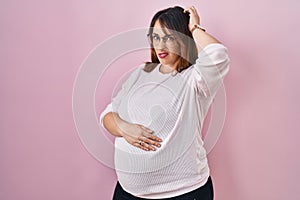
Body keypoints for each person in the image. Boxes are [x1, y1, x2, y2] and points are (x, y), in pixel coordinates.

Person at [100, 5, 230, 200]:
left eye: (169, 38)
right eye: (156, 37)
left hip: (183, 193)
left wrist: (194, 28)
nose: (160, 46)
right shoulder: (141, 72)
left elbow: (218, 54)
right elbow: (108, 115)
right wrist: (124, 128)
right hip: (128, 193)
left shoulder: (195, 79)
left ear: (184, 38)